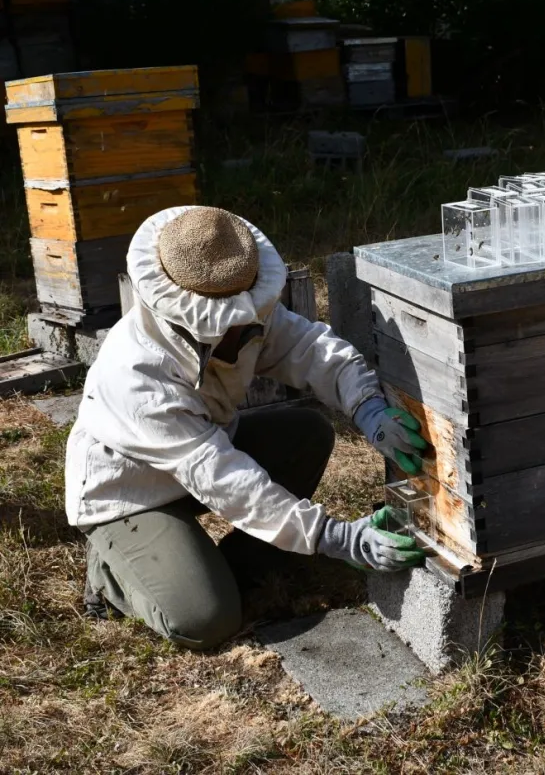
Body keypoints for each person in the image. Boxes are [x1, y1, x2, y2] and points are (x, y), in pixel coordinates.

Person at [65, 205, 429, 650]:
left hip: (206, 453)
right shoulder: (139, 376)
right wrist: (336, 537)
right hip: (129, 491)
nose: (247, 328)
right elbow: (224, 480)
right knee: (205, 618)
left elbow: (309, 347)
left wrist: (367, 406)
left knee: (306, 434)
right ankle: (110, 569)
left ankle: (224, 564)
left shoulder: (239, 302)